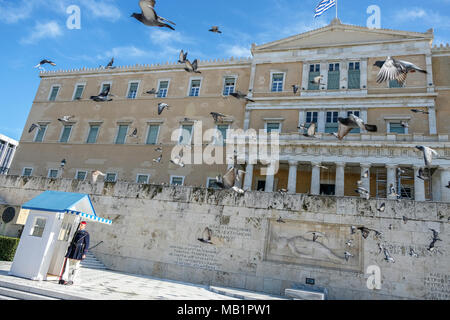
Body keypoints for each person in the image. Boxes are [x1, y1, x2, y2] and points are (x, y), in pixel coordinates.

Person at [59, 221, 90, 285]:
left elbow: (87, 244)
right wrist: (69, 250)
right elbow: (73, 241)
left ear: (84, 226)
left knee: (75, 266)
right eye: (80, 225)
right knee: (68, 265)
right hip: (73, 249)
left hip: (79, 250)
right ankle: (64, 279)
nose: (80, 226)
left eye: (81, 225)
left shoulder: (86, 234)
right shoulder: (77, 232)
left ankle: (72, 280)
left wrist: (84, 253)